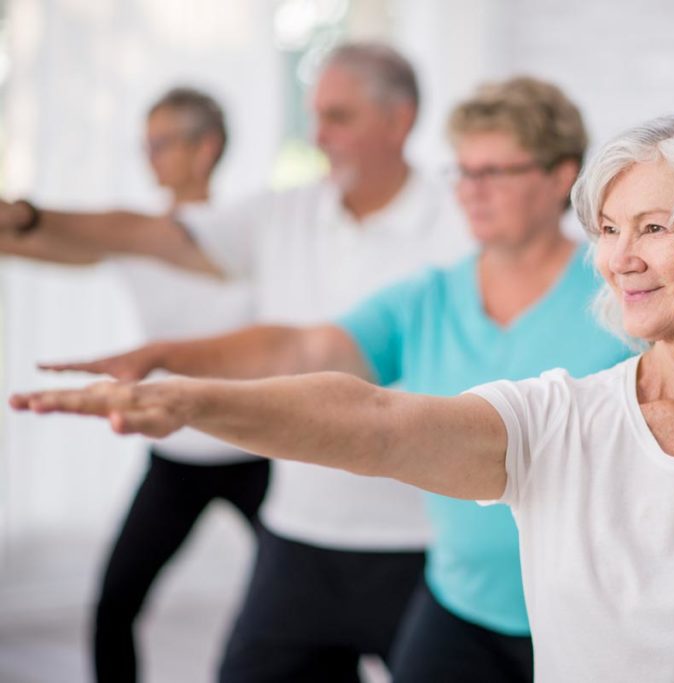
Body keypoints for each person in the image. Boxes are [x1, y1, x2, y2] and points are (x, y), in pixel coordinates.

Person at [13, 105, 674, 683]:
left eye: (655, 226)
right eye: (610, 228)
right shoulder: (558, 419)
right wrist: (195, 398)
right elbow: (370, 418)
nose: (621, 257)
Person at [33, 77, 634, 682]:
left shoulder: (621, 300)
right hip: (461, 606)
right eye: (463, 172)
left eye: (495, 173)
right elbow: (303, 345)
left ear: (560, 177)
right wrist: (166, 360)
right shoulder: (429, 297)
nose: (472, 192)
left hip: (587, 615)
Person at [3, 43, 469, 681]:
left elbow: (309, 348)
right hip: (298, 533)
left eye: (338, 117)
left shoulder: (462, 221)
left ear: (399, 120)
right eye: (315, 115)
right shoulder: (283, 212)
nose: (318, 135)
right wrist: (30, 218)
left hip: (419, 541)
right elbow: (146, 234)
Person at [0, 86, 269, 683]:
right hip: (177, 451)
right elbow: (38, 242)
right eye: (145, 143)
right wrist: (16, 224)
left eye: (163, 142)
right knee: (115, 605)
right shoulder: (130, 238)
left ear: (207, 149)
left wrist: (24, 212)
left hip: (257, 451)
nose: (150, 156)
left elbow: (135, 232)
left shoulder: (245, 228)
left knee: (303, 604)